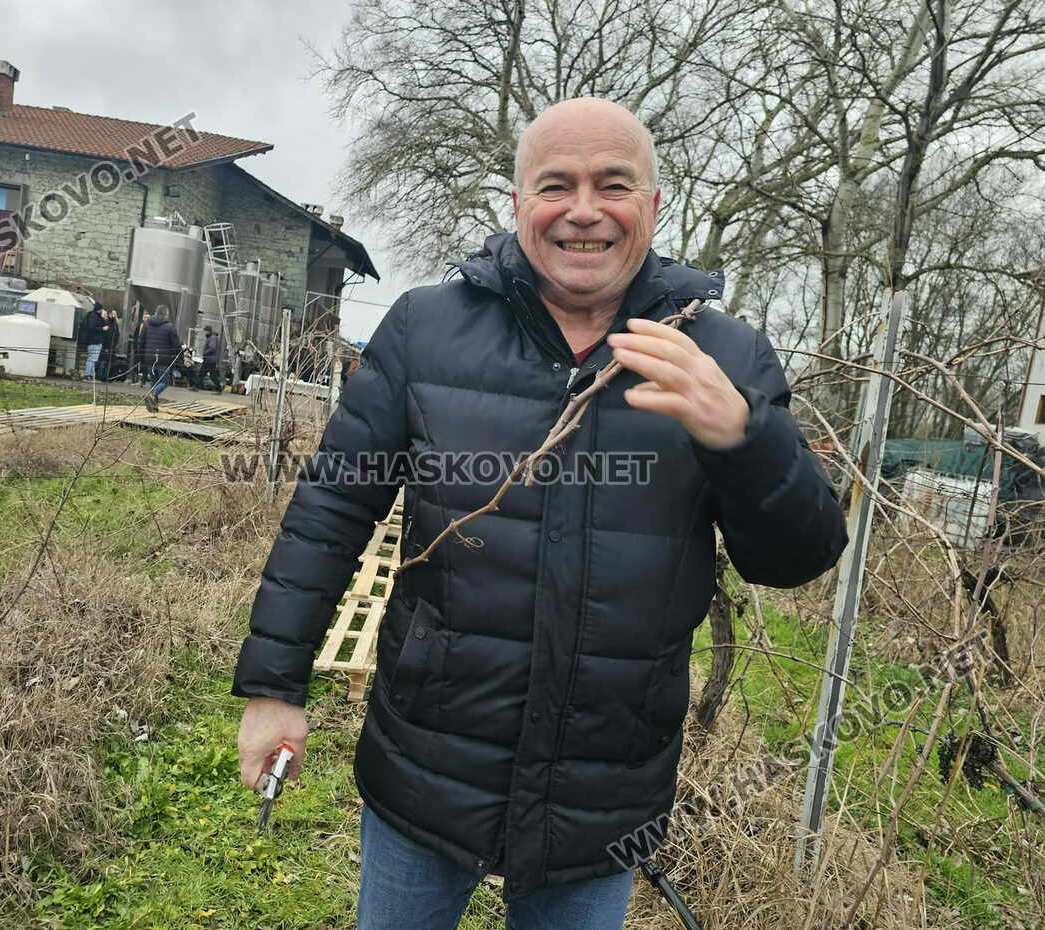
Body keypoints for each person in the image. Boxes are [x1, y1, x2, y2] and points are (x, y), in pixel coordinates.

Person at [233, 97, 847, 930]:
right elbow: (331, 509)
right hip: (425, 765)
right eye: (557, 185)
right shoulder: (424, 330)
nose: (584, 210)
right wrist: (274, 687)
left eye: (614, 185)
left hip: (604, 794)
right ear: (520, 203)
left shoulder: (723, 356)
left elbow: (798, 558)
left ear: (653, 204)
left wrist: (745, 436)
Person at [136, 304, 182, 413]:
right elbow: (176, 344)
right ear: (166, 314)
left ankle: (155, 406)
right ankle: (152, 395)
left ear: (156, 313)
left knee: (154, 382)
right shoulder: (170, 327)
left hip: (149, 358)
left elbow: (141, 342)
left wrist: (140, 357)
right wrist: (179, 355)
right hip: (163, 359)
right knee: (164, 382)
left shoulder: (146, 324)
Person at [193, 324, 224, 393]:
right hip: (209, 359)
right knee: (202, 374)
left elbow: (212, 348)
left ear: (208, 331)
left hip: (210, 360)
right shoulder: (211, 337)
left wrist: (205, 353)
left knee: (211, 375)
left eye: (205, 331)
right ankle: (195, 386)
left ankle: (219, 388)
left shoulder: (212, 338)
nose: (204, 332)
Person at [82, 301, 108, 379]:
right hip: (94, 341)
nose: (102, 310)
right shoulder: (93, 317)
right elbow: (91, 328)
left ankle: (90, 374)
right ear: (98, 309)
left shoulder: (97, 317)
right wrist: (102, 329)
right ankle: (87, 374)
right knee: (92, 358)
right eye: (101, 309)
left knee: (93, 359)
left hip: (96, 341)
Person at [98, 308, 121, 382]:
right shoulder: (106, 323)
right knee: (103, 362)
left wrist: (115, 343)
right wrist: (106, 346)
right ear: (110, 314)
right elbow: (105, 336)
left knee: (109, 362)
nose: (116, 315)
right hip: (106, 345)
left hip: (112, 345)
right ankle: (100, 376)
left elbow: (117, 334)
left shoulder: (115, 324)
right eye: (114, 314)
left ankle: (106, 376)